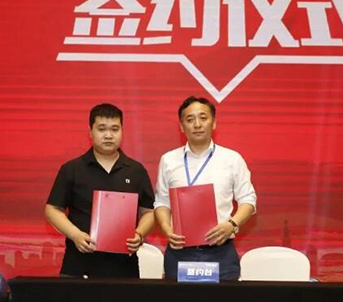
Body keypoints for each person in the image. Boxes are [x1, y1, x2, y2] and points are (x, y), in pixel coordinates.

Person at [45, 103, 155, 278]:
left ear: (122, 131)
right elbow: (52, 209)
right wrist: (75, 235)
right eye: (102, 129)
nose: (109, 135)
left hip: (124, 267)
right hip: (79, 264)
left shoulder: (136, 170)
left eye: (115, 129)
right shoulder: (72, 169)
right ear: (90, 132)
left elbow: (149, 212)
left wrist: (139, 234)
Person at [154, 96, 257, 280]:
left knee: (222, 299)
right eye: (190, 119)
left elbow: (248, 200)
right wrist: (166, 229)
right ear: (181, 126)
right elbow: (162, 202)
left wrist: (232, 225)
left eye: (203, 118)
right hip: (179, 251)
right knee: (177, 300)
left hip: (221, 252)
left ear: (214, 123)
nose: (197, 124)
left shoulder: (232, 159)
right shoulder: (168, 160)